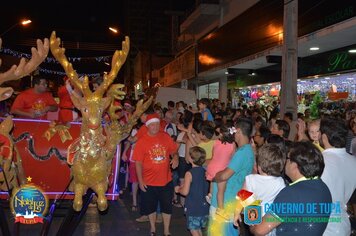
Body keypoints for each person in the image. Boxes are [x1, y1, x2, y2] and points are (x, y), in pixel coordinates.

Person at [250, 141, 332, 236]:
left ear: (295, 165)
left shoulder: (292, 193)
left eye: (288, 158)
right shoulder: (324, 188)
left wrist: (250, 214)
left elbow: (259, 230)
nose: (285, 162)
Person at [133, 113, 179, 236]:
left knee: (167, 207)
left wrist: (176, 158)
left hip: (166, 180)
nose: (155, 127)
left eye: (157, 124)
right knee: (151, 207)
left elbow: (174, 151)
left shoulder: (165, 137)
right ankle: (152, 228)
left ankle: (166, 230)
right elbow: (138, 163)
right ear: (147, 126)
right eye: (152, 125)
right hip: (148, 182)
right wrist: (140, 181)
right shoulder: (142, 141)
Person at [211, 118, 255, 236]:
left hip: (225, 203)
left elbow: (225, 175)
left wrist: (216, 175)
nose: (233, 133)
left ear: (239, 131)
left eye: (234, 130)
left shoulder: (242, 153)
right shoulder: (247, 150)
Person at [233, 144, 286, 236]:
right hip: (268, 219)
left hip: (253, 215)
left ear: (259, 166)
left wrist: (236, 213)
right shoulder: (280, 182)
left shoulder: (250, 179)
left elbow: (241, 198)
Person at [320, 118, 356, 236]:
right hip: (343, 223)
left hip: (323, 226)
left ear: (324, 136)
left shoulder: (319, 162)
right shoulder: (353, 161)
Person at [175, 146, 209, 236]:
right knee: (198, 229)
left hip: (194, 206)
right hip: (204, 206)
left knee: (193, 229)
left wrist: (178, 189)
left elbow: (185, 192)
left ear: (191, 158)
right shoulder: (205, 171)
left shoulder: (189, 173)